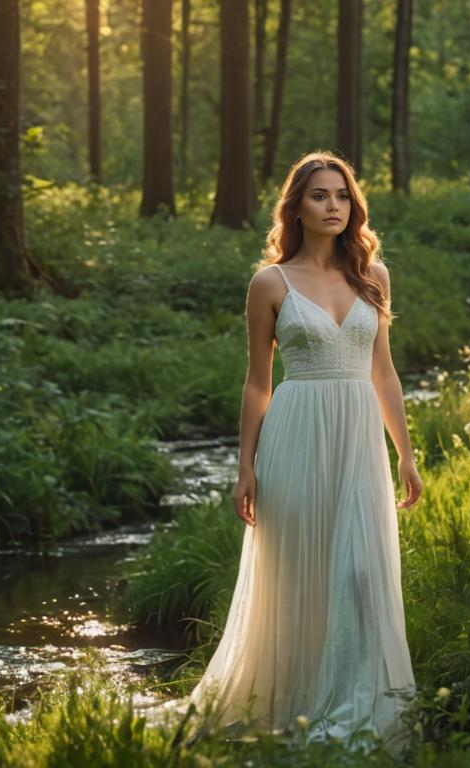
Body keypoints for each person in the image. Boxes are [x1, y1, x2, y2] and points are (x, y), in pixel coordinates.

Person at [151, 150, 422, 755]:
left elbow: (384, 372)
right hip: (295, 436)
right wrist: (244, 465)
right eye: (320, 195)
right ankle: (293, 705)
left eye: (342, 196)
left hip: (357, 438)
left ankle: (358, 707)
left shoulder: (373, 277)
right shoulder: (269, 283)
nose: (333, 206)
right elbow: (257, 382)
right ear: (296, 207)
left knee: (358, 572)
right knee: (297, 572)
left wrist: (405, 453)